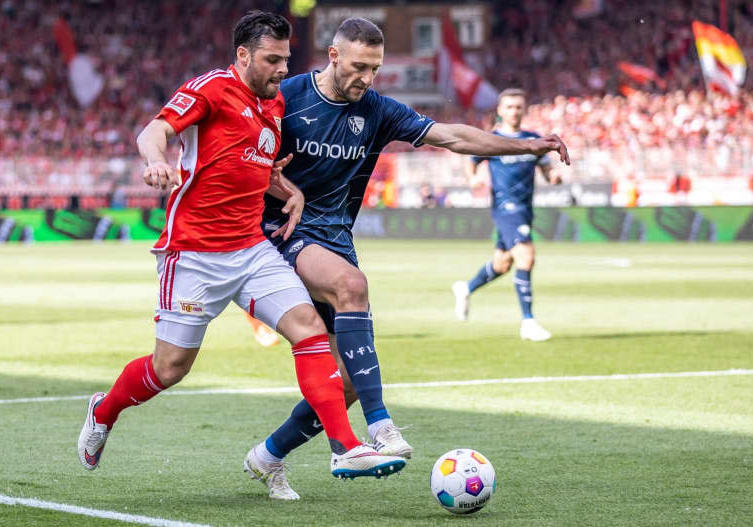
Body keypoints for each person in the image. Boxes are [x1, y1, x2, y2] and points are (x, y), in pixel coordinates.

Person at [77, 11, 405, 498]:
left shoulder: (273, 107)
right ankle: (103, 410)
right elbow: (154, 132)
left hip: (252, 249)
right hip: (193, 253)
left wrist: (287, 188)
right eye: (272, 60)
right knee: (169, 368)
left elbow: (254, 166)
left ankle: (346, 446)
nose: (281, 70)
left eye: (286, 59)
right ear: (244, 55)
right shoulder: (210, 89)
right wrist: (155, 161)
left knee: (310, 330)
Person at [244, 18, 569, 498]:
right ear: (333, 57)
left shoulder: (376, 109)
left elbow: (453, 137)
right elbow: (239, 149)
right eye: (358, 67)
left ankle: (268, 456)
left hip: (335, 236)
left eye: (374, 69)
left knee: (348, 381)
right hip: (282, 232)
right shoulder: (286, 97)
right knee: (353, 286)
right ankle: (379, 427)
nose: (366, 78)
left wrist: (522, 146)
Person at [452, 88, 563, 341]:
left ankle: (465, 288)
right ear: (500, 111)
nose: (514, 111)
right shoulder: (491, 140)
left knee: (502, 264)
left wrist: (553, 177)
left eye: (518, 107)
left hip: (525, 209)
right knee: (526, 256)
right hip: (505, 207)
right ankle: (528, 322)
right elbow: (471, 161)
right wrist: (472, 179)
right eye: (509, 107)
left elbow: (546, 169)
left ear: (524, 110)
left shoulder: (533, 139)